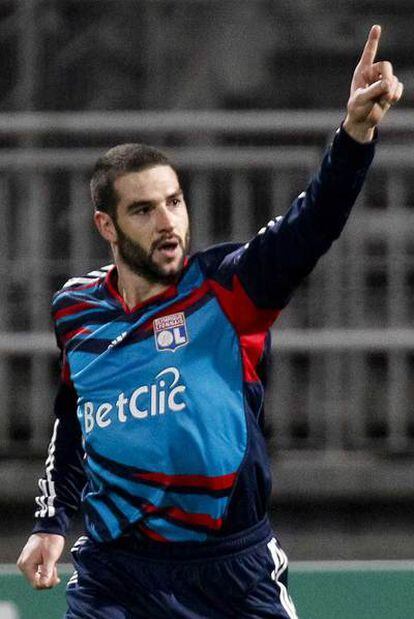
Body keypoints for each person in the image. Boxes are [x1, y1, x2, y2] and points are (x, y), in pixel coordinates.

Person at [17, 25, 402, 619]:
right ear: (107, 227)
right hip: (116, 573)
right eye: (143, 210)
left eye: (174, 202)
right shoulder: (75, 307)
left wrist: (354, 135)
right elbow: (75, 414)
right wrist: (50, 519)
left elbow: (311, 226)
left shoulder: (227, 288)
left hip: (232, 570)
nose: (167, 222)